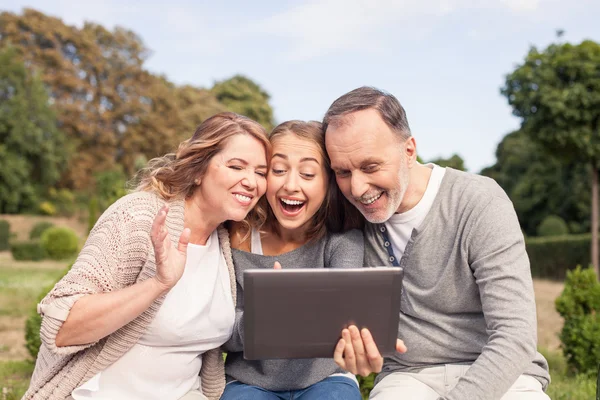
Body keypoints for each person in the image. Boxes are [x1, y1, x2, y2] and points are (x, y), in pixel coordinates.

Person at [323, 87, 551, 400]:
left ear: (409, 151)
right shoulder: (348, 213)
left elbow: (516, 336)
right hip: (407, 377)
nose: (358, 187)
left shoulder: (479, 201)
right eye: (342, 172)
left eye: (371, 167)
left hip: (502, 375)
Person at [24, 112, 271, 400]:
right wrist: (158, 284)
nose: (251, 182)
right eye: (236, 166)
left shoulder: (227, 239)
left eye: (261, 172)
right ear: (199, 169)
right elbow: (61, 330)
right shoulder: (138, 216)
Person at [220, 120, 365, 400]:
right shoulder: (238, 233)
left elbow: (345, 324)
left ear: (328, 182)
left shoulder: (343, 240)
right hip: (248, 381)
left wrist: (292, 312)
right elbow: (223, 334)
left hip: (327, 379)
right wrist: (261, 318)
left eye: (308, 173)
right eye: (278, 170)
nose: (291, 185)